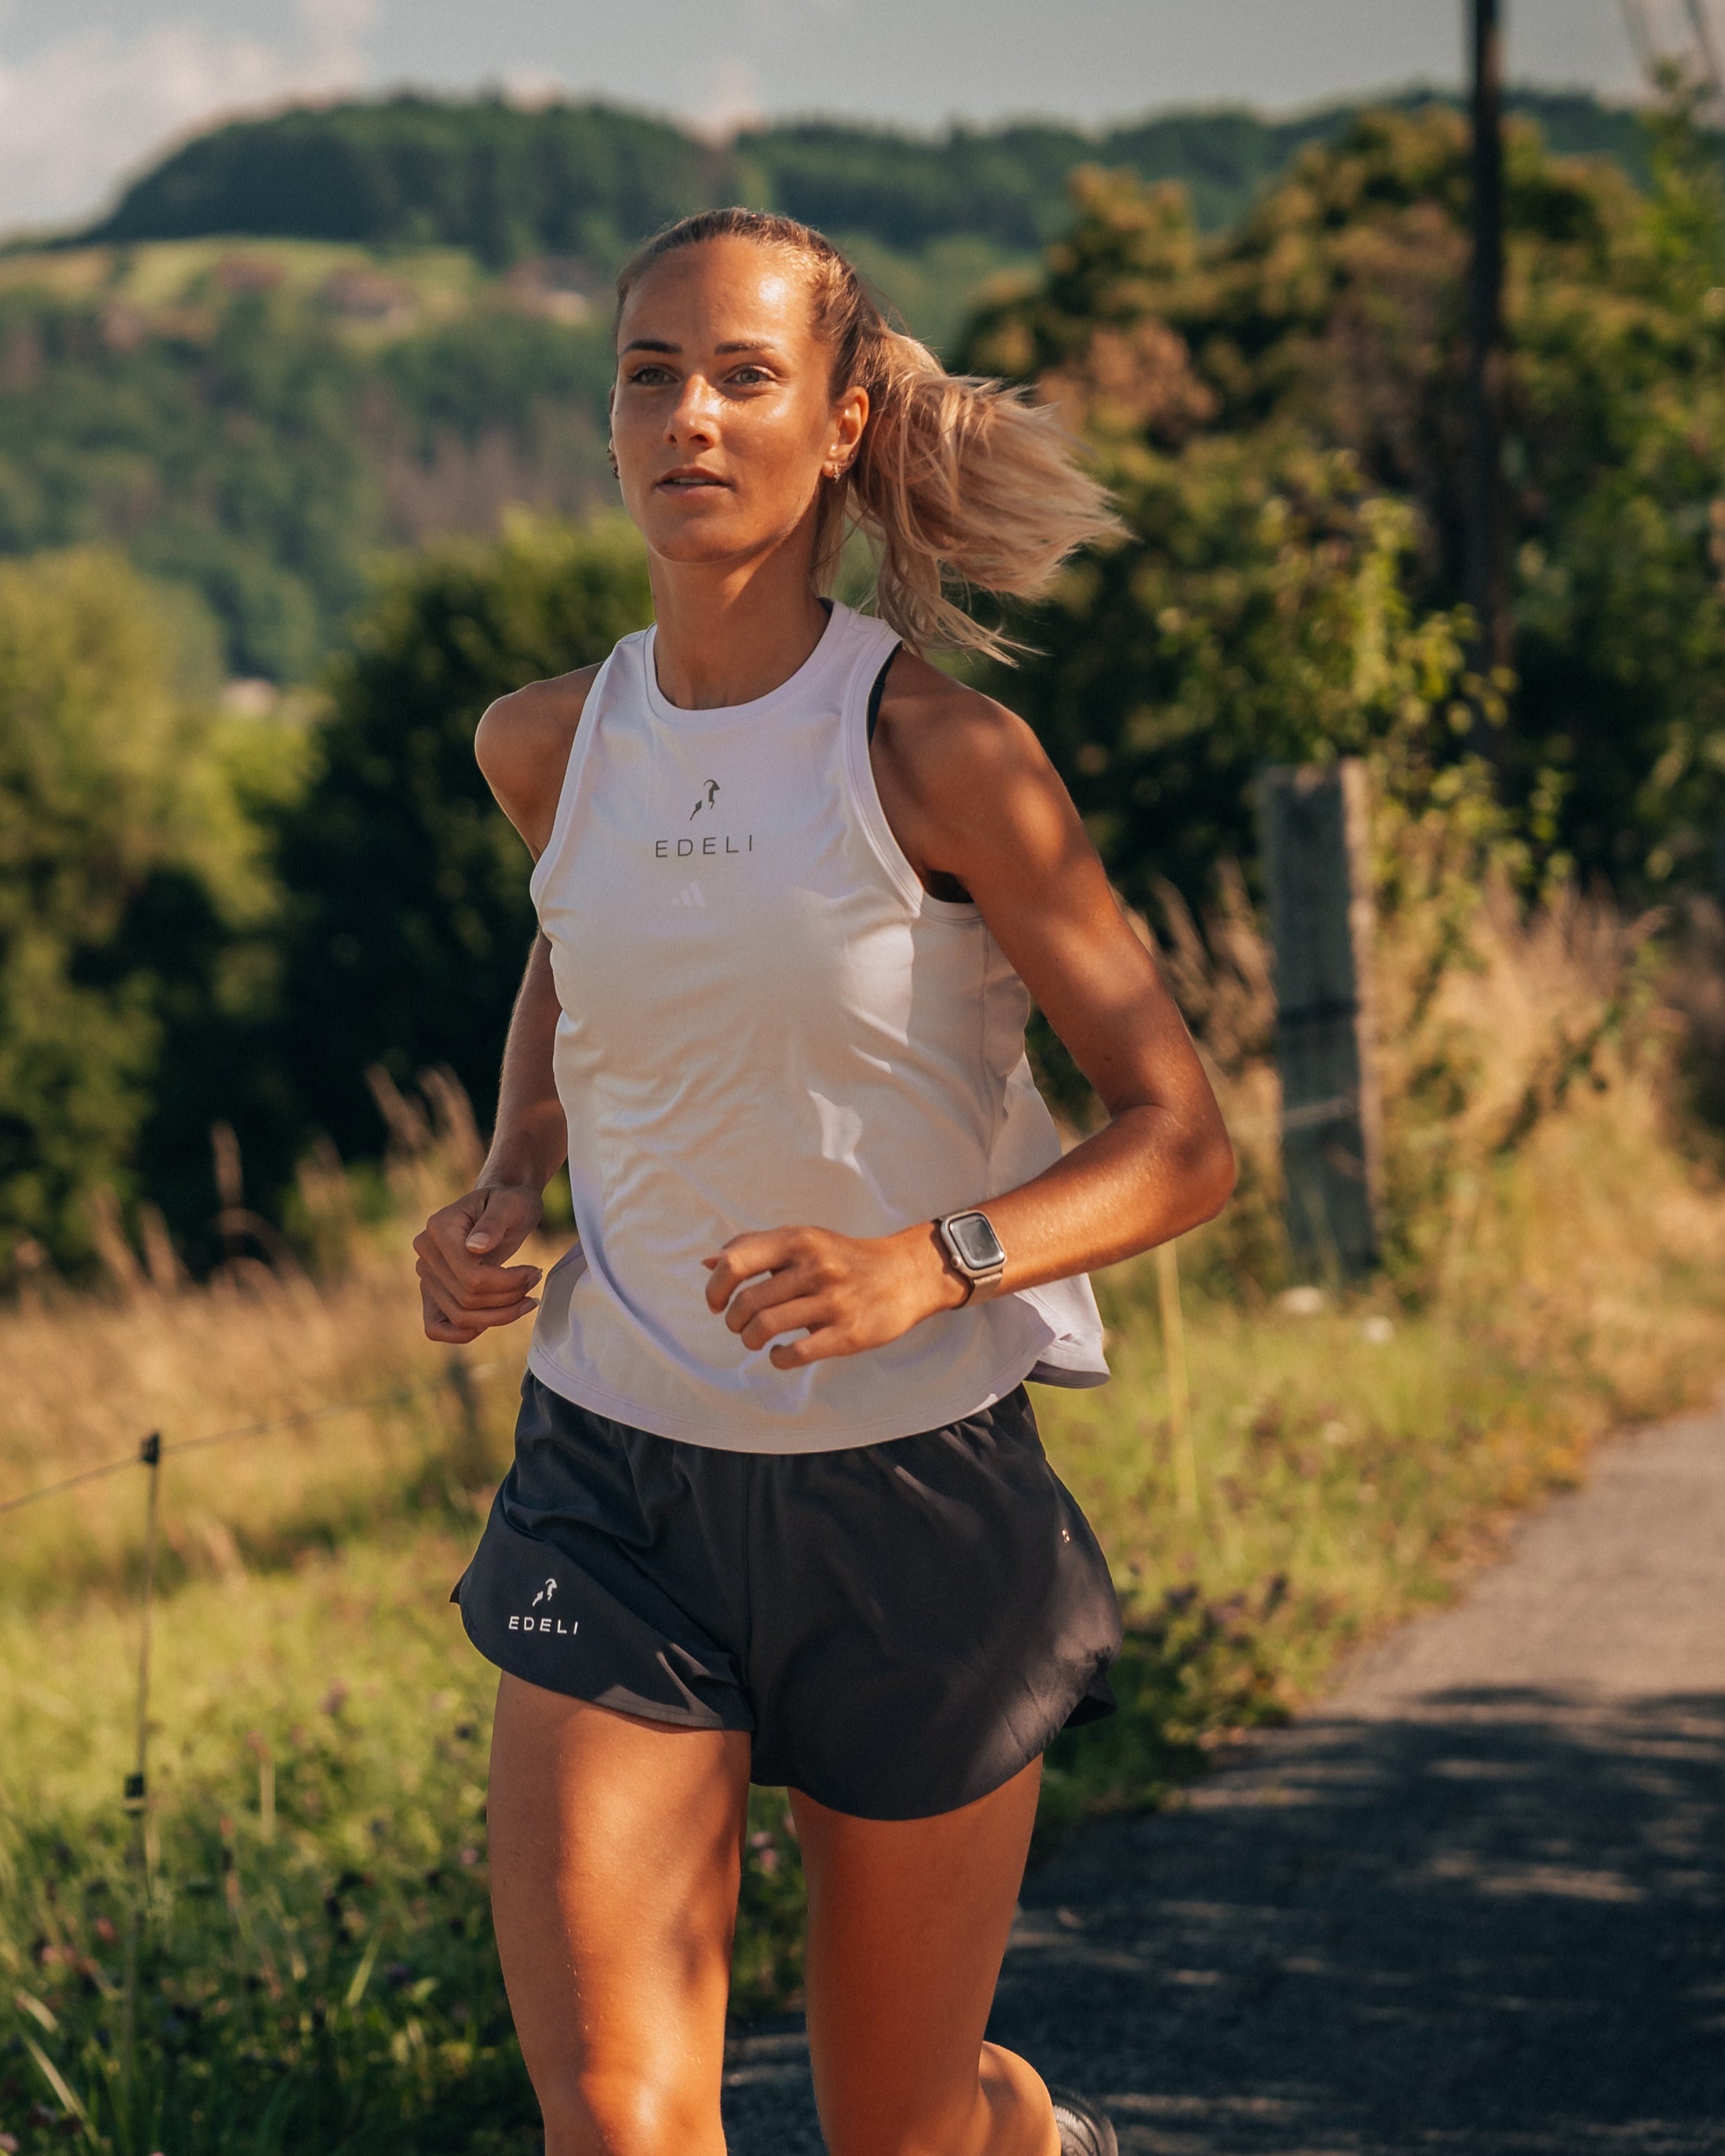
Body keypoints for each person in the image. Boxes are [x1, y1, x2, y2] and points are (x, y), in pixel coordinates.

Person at [410, 207, 1235, 2156]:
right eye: (648, 376)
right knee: (620, 2121)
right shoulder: (550, 744)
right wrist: (512, 1168)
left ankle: (1022, 2140)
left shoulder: (944, 756)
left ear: (846, 419)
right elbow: (574, 948)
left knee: (901, 2129)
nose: (688, 416)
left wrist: (934, 1264)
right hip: (617, 1481)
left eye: (743, 376)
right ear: (609, 423)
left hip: (914, 1498)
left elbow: (1181, 1139)